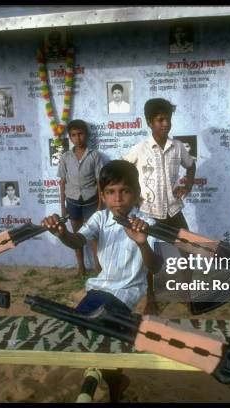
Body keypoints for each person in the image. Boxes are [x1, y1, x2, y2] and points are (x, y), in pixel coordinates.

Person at [42, 160, 162, 402]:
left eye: (124, 191)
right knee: (98, 335)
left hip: (126, 293)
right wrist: (63, 233)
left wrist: (141, 242)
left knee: (96, 331)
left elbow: (156, 266)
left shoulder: (146, 224)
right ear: (103, 196)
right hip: (100, 288)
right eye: (110, 192)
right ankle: (116, 382)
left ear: (137, 194)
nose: (118, 198)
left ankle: (104, 379)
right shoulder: (100, 219)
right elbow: (78, 241)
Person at [123, 98, 196, 231]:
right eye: (160, 120)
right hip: (147, 213)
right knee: (149, 248)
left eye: (168, 119)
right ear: (149, 122)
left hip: (174, 210)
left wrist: (188, 184)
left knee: (188, 247)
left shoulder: (178, 146)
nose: (166, 124)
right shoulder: (140, 149)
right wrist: (132, 196)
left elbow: (191, 166)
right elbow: (121, 171)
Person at [57, 119, 103, 276]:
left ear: (87, 135)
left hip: (91, 201)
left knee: (94, 236)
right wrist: (63, 207)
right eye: (74, 135)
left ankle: (98, 267)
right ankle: (81, 267)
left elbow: (99, 182)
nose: (78, 138)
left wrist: (99, 205)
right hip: (72, 202)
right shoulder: (65, 157)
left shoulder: (95, 155)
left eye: (81, 134)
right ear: (70, 138)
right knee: (77, 236)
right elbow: (62, 182)